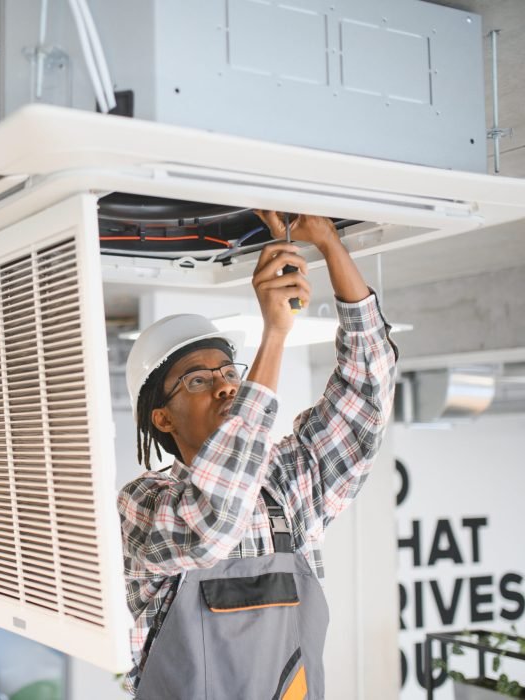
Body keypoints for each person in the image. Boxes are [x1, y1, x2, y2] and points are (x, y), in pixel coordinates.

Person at [117, 211, 398, 699]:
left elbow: (366, 395)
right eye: (198, 380)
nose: (226, 386)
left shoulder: (287, 486)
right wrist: (274, 335)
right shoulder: (144, 504)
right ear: (162, 419)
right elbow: (215, 520)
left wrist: (329, 245)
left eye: (229, 372)